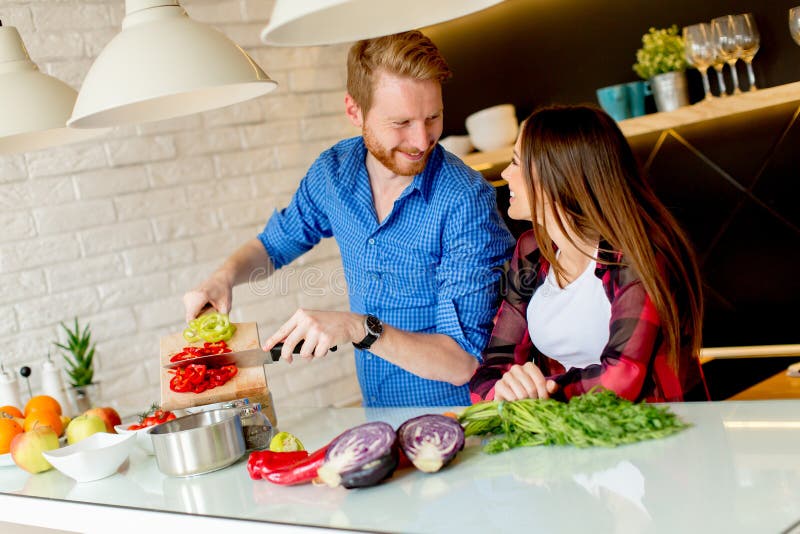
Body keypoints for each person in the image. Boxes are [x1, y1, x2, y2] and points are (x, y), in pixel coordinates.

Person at [184, 31, 515, 407]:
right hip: (379, 416)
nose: (422, 140)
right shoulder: (334, 173)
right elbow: (275, 243)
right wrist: (222, 278)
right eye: (401, 122)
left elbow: (463, 361)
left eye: (433, 117)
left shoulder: (465, 201)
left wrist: (358, 328)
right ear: (354, 110)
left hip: (462, 424)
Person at [469, 105, 709, 403]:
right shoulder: (532, 251)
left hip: (666, 434)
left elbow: (624, 376)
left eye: (517, 162)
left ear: (556, 175)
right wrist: (504, 391)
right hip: (580, 434)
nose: (505, 174)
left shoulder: (636, 254)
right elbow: (493, 369)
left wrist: (539, 392)